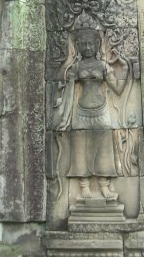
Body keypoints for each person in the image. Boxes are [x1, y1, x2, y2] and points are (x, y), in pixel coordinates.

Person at [52, 12, 129, 199]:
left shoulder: (103, 66)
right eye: (83, 44)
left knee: (104, 147)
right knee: (79, 148)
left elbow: (118, 90)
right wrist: (64, 117)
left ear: (97, 45)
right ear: (78, 46)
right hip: (80, 111)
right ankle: (84, 186)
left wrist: (125, 69)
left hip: (101, 110)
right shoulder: (76, 68)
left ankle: (104, 185)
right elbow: (68, 91)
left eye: (90, 43)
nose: (87, 47)